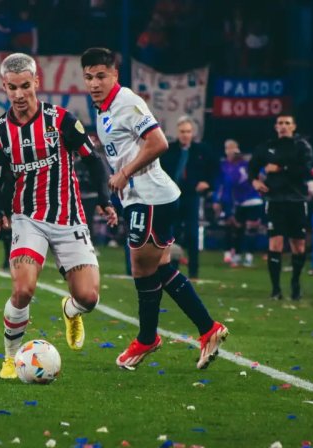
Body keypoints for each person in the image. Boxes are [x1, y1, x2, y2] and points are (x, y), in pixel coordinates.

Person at [81, 47, 228, 370]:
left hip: (151, 198)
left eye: (101, 76)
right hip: (144, 198)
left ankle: (148, 338)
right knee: (159, 269)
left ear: (115, 75)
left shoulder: (127, 103)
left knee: (142, 270)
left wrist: (124, 173)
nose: (94, 83)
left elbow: (159, 142)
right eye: (89, 77)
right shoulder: (103, 107)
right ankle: (208, 329)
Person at [0, 53, 118, 380]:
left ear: (36, 82)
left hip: (68, 217)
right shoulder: (0, 132)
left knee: (88, 297)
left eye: (25, 86)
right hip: (27, 219)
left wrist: (103, 198)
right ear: (4, 86)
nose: (18, 94)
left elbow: (94, 160)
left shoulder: (61, 121)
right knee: (23, 290)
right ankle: (11, 358)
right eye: (12, 87)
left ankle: (71, 311)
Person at [249, 113, 313, 300]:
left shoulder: (302, 146)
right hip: (275, 200)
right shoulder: (268, 147)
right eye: (280, 123)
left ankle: (295, 283)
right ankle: (276, 289)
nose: (283, 126)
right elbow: (252, 166)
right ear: (276, 127)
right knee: (275, 243)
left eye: (287, 123)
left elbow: (305, 170)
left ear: (294, 126)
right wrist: (254, 181)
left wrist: (280, 168)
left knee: (298, 245)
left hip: (297, 200)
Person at [160, 115, 219, 279]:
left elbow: (215, 170)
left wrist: (207, 183)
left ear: (193, 133)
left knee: (193, 234)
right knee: (174, 233)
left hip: (192, 196)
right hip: (172, 196)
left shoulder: (202, 150)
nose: (185, 135)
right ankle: (173, 270)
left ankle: (194, 272)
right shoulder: (168, 150)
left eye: (188, 131)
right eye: (182, 131)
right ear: (178, 133)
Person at [213, 139, 263, 267]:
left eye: (233, 148)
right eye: (228, 148)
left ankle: (249, 257)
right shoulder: (224, 166)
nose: (231, 151)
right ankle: (235, 255)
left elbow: (259, 175)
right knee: (236, 229)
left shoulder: (246, 164)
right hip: (237, 202)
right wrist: (217, 200)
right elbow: (222, 184)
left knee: (251, 229)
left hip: (253, 200)